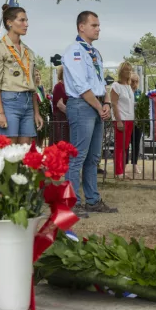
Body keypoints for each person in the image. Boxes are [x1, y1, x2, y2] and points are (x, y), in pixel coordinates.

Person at [62, 11, 118, 216]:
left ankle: (92, 200)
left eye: (98, 25)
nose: (98, 29)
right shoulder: (74, 51)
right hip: (82, 105)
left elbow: (100, 82)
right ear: (81, 27)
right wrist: (98, 106)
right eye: (94, 25)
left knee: (93, 157)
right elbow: (81, 85)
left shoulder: (95, 52)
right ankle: (71, 202)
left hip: (96, 105)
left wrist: (106, 103)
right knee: (78, 156)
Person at [0, 5, 43, 144]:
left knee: (25, 154)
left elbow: (32, 86)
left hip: (28, 103)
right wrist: (0, 113)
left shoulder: (28, 51)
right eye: (22, 20)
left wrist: (36, 112)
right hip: (8, 102)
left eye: (27, 21)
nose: (26, 24)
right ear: (9, 22)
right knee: (9, 154)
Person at [110, 61, 135, 180]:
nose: (129, 72)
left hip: (130, 119)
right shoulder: (116, 86)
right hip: (121, 119)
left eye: (130, 70)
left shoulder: (129, 86)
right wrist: (118, 120)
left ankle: (122, 170)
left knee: (125, 147)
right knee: (119, 147)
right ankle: (118, 172)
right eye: (126, 70)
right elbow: (114, 104)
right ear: (121, 71)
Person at [127, 72, 144, 176]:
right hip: (127, 120)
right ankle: (124, 165)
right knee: (126, 144)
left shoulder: (139, 92)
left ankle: (135, 164)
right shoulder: (126, 91)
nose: (134, 83)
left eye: (136, 81)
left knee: (136, 144)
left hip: (137, 121)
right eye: (132, 81)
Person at [51, 66, 69, 144]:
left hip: (66, 120)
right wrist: (72, 113)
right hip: (60, 121)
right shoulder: (58, 86)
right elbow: (60, 105)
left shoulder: (68, 86)